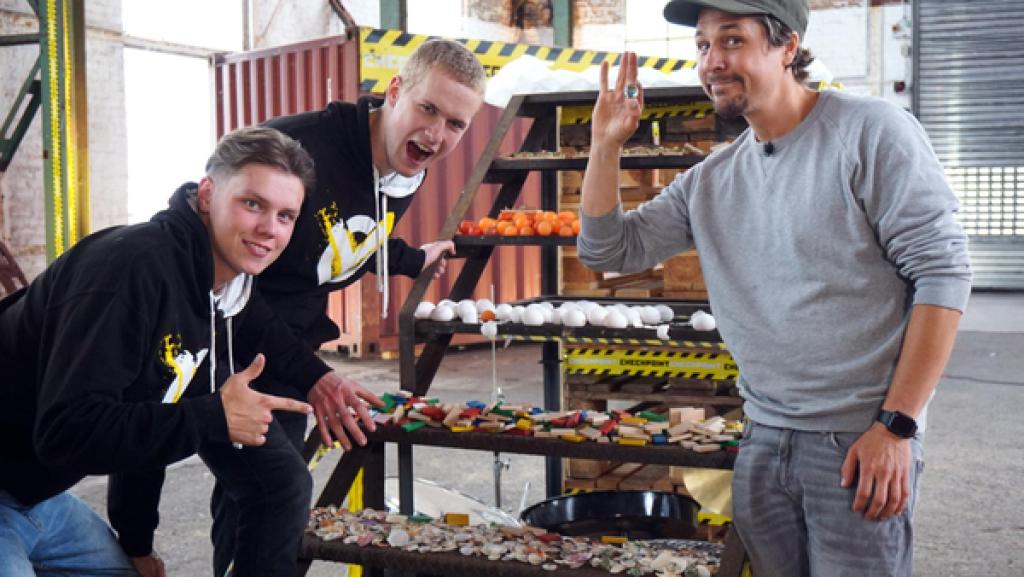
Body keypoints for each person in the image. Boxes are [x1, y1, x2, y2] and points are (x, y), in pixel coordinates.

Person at [576, 1, 971, 576]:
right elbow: (607, 251)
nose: (712, 62)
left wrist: (897, 427)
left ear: (788, 47)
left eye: (732, 41)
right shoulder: (711, 179)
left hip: (858, 440)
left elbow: (944, 274)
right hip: (763, 438)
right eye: (704, 46)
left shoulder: (868, 132)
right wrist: (605, 145)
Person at [193, 38, 485, 576]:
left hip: (294, 340)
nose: (437, 134)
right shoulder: (301, 147)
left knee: (266, 494)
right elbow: (197, 212)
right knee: (271, 491)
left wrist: (408, 256)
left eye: (456, 124)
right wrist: (313, 377)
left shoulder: (407, 167)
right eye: (428, 109)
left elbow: (351, 232)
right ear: (395, 92)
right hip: (235, 340)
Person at [0, 126, 337, 576]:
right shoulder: (132, 270)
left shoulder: (218, 288)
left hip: (35, 498)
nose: (268, 230)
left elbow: (149, 403)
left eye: (285, 216)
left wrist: (136, 541)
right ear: (207, 194)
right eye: (252, 204)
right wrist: (212, 415)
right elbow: (66, 431)